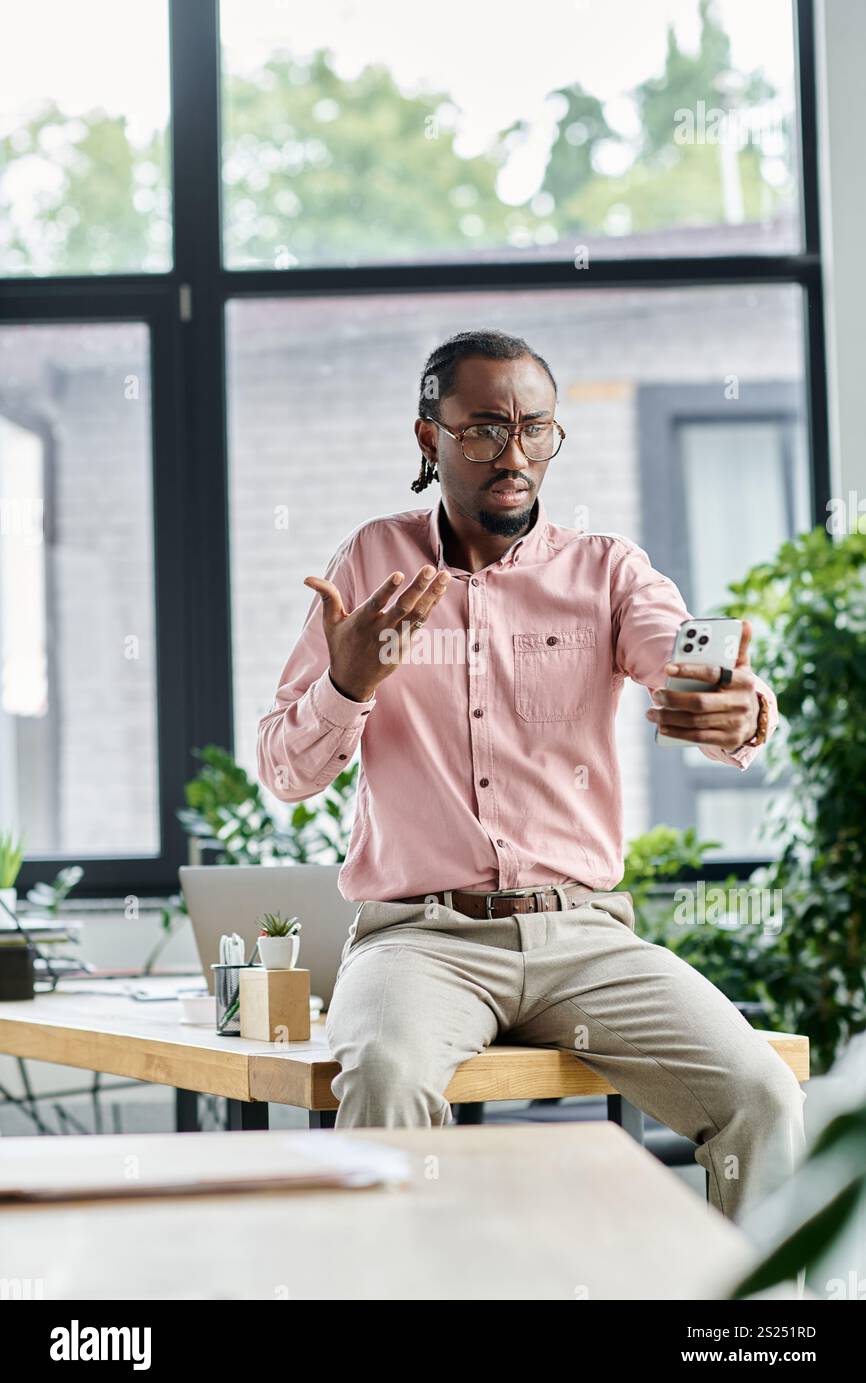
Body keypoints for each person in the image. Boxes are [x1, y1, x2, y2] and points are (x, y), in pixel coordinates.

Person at [257, 328, 805, 1224]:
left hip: (585, 940)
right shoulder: (370, 566)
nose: (514, 456)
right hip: (419, 940)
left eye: (536, 430)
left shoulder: (606, 572)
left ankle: (763, 1345)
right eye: (483, 431)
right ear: (428, 438)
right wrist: (347, 682)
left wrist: (741, 709)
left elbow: (689, 667)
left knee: (763, 1097)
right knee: (386, 1080)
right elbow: (284, 769)